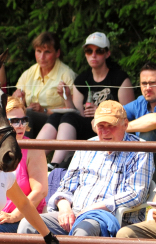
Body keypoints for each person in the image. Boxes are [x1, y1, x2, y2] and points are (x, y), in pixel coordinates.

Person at [9, 101, 154, 244]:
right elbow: (66, 185)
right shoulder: (87, 146)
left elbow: (136, 194)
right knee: (29, 223)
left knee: (84, 230)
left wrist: (94, 208)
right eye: (100, 126)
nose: (104, 131)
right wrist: (65, 207)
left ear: (125, 125)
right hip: (73, 212)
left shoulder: (140, 150)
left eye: (111, 126)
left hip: (110, 218)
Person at [37, 32, 135, 168]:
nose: (93, 55)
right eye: (89, 51)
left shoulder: (120, 78)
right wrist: (67, 96)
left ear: (107, 53)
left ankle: (54, 164)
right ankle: (32, 156)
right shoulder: (82, 79)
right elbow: (76, 112)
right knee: (56, 117)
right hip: (85, 126)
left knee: (69, 118)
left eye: (99, 51)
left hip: (105, 128)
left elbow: (129, 113)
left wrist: (100, 112)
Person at [0, 97, 48, 244]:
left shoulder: (32, 147)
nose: (20, 125)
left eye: (23, 120)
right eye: (14, 121)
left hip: (27, 215)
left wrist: (15, 215)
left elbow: (40, 190)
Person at [13, 31, 76, 138]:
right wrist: (21, 102)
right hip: (31, 120)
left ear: (57, 53)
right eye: (38, 51)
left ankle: (25, 151)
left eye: (47, 52)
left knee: (27, 117)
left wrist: (44, 110)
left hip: (56, 123)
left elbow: (74, 110)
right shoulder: (28, 73)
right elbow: (15, 103)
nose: (42, 57)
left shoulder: (67, 75)